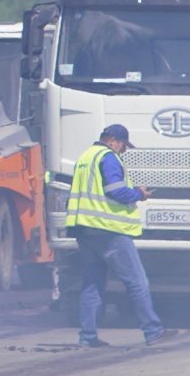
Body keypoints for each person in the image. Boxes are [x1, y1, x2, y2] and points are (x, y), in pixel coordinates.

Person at [70, 123, 165, 348]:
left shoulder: (85, 156)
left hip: (85, 229)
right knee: (136, 281)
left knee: (92, 284)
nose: (124, 151)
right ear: (113, 140)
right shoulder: (108, 156)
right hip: (109, 229)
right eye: (123, 146)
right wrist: (138, 194)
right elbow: (115, 190)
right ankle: (153, 330)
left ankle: (87, 336)